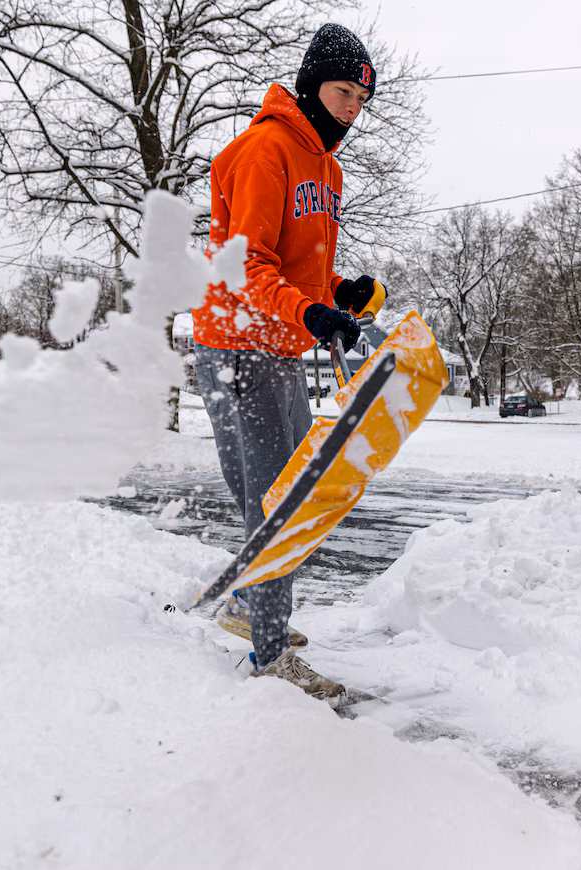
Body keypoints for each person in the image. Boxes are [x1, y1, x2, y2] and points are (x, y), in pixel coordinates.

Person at [190, 24, 384, 701]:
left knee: (280, 495)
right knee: (280, 502)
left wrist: (342, 295)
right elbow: (248, 268)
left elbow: (302, 273)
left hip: (277, 344)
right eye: (342, 92)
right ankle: (268, 656)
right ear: (310, 85)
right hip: (239, 344)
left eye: (362, 98)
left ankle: (250, 607)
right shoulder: (262, 152)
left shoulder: (327, 170)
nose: (352, 108)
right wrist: (311, 314)